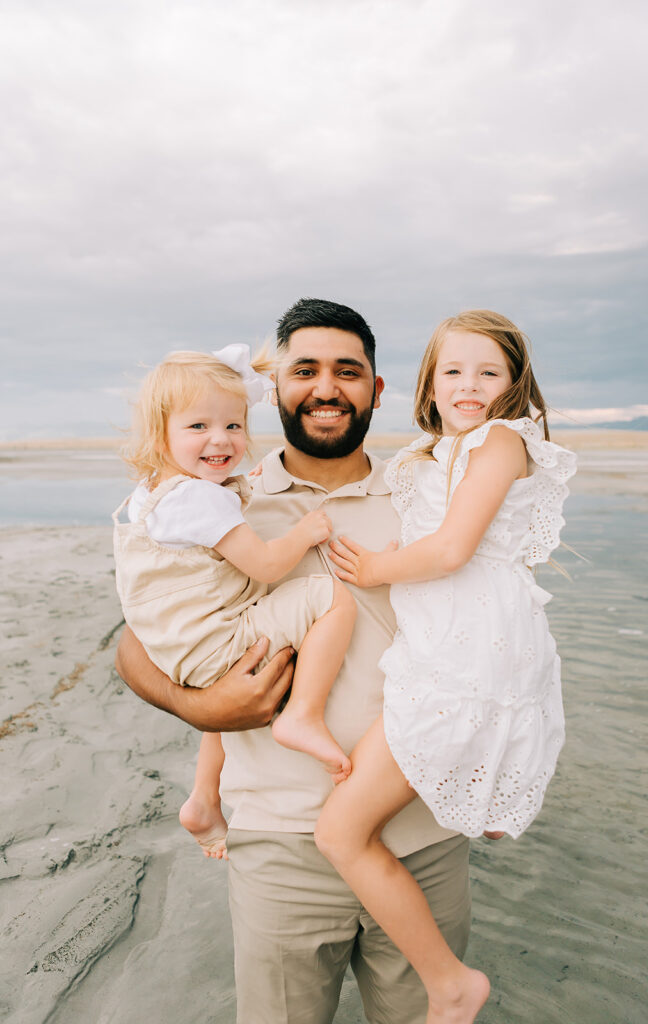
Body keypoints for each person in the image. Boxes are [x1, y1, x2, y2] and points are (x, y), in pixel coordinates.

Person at [114, 297, 471, 1024]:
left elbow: (495, 639)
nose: (326, 387)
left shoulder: (432, 499)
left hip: (422, 837)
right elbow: (133, 640)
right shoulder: (218, 496)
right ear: (274, 387)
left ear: (376, 389)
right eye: (303, 369)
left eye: (348, 370)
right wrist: (195, 706)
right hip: (280, 843)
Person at [318, 310, 577, 1023]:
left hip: (468, 649)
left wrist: (372, 569)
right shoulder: (440, 449)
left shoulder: (497, 441)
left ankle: (450, 983)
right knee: (356, 820)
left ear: (513, 383)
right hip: (445, 642)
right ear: (428, 382)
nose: (468, 386)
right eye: (452, 371)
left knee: (340, 831)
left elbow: (451, 548)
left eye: (487, 372)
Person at [112, 345, 357, 859]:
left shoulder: (152, 493)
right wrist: (306, 532)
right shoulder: (201, 498)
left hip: (181, 646)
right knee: (331, 598)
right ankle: (303, 715)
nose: (220, 440)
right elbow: (267, 565)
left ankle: (204, 799)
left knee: (222, 709)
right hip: (216, 641)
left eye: (233, 425)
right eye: (198, 427)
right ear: (161, 434)